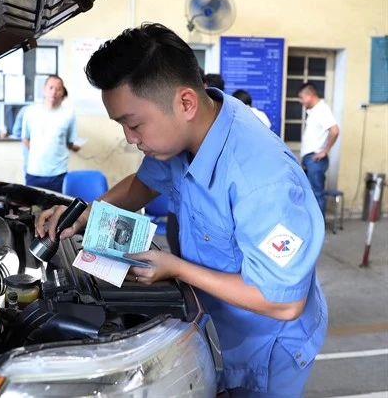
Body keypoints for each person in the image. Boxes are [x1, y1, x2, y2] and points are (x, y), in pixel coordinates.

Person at [35, 23, 327, 397]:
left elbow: (282, 301)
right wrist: (84, 214)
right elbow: (141, 185)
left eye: (134, 123)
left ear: (185, 102)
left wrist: (175, 268)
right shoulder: (187, 133)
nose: (129, 138)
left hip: (265, 342)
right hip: (215, 317)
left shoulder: (264, 182)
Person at [22, 75, 80, 193]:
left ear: (63, 92)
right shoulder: (30, 112)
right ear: (44, 89)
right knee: (32, 209)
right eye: (51, 88)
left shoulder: (69, 115)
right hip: (34, 173)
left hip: (58, 174)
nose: (54, 92)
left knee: (57, 209)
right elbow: (25, 138)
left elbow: (69, 143)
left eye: (58, 89)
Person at [298, 83, 340, 217]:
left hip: (315, 160)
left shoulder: (322, 109)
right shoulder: (314, 111)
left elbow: (335, 130)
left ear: (310, 95)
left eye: (301, 97)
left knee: (316, 194)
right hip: (310, 160)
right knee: (310, 194)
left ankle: (319, 230)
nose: (300, 101)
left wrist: (324, 151)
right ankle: (313, 227)